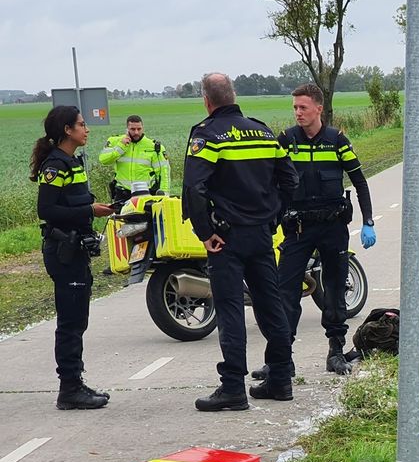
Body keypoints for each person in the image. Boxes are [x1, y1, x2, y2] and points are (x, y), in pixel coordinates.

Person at [182, 73, 298, 412]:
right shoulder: (262, 131)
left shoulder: (207, 135)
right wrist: (274, 216)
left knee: (231, 309)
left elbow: (194, 188)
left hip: (226, 238)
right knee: (270, 305)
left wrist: (205, 232)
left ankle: (233, 387)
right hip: (261, 233)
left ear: (207, 100)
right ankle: (280, 379)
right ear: (233, 96)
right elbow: (289, 180)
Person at [260, 82, 375, 380]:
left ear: (318, 109)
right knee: (285, 293)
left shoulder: (337, 139)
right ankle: (280, 360)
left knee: (335, 289)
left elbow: (359, 181)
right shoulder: (285, 139)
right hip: (297, 229)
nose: (298, 113)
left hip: (333, 226)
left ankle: (335, 353)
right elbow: (269, 182)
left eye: (303, 107)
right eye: (295, 108)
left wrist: (368, 222)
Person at [30, 105, 115, 409]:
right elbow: (47, 210)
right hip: (63, 252)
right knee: (70, 322)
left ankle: (75, 383)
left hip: (76, 249)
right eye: (81, 124)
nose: (86, 129)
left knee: (78, 319)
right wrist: (89, 210)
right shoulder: (55, 165)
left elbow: (74, 202)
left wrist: (95, 208)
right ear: (67, 130)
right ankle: (69, 389)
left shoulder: (72, 161)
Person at [98, 115, 170, 202]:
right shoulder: (115, 141)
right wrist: (121, 147)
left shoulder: (154, 147)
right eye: (132, 129)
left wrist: (164, 195)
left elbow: (163, 173)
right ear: (127, 129)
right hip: (122, 193)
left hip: (145, 193)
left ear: (143, 128)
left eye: (139, 129)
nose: (136, 132)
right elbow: (104, 160)